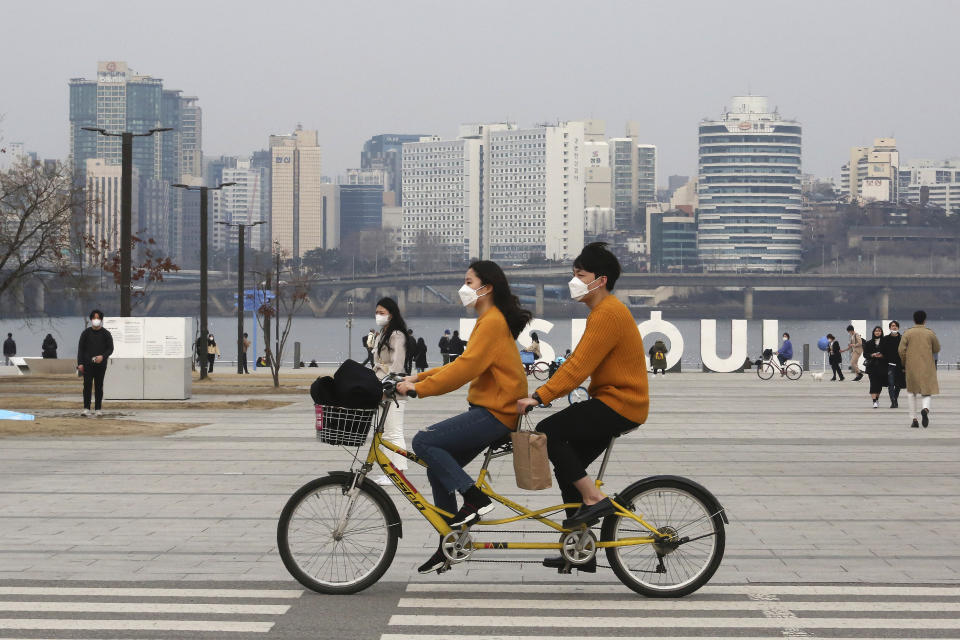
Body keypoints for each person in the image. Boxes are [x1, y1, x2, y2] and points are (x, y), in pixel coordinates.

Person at [516, 242, 649, 573]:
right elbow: (578, 363)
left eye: (580, 275)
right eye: (573, 274)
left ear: (599, 280)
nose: (573, 281)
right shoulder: (604, 312)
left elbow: (578, 368)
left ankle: (594, 500)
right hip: (615, 401)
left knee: (548, 432)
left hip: (620, 402)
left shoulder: (608, 313)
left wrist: (540, 396)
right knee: (568, 467)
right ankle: (581, 547)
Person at [398, 260, 530, 574]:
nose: (464, 288)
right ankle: (450, 542)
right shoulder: (489, 321)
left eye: (469, 282)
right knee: (437, 469)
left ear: (487, 288)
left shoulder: (493, 321)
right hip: (490, 411)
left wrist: (420, 390)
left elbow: (465, 370)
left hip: (498, 413)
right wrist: (418, 378)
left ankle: (475, 499)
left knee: (424, 441)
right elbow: (462, 363)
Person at [370, 297, 410, 486]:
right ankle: (390, 471)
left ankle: (398, 472)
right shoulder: (382, 334)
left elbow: (397, 364)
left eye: (382, 312)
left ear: (391, 314)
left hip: (393, 388)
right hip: (381, 387)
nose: (378, 316)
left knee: (394, 431)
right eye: (377, 312)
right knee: (385, 432)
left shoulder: (396, 334)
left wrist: (389, 382)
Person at [899, 310, 940, 429]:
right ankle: (925, 409)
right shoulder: (930, 333)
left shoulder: (908, 333)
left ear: (914, 320)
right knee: (927, 391)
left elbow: (901, 350)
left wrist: (904, 362)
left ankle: (914, 419)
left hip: (911, 366)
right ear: (925, 320)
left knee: (912, 393)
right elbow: (937, 348)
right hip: (927, 366)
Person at [77, 310, 114, 417]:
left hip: (100, 365)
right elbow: (81, 349)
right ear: (91, 319)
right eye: (94, 318)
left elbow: (110, 348)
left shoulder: (106, 333)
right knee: (87, 386)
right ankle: (86, 408)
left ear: (101, 320)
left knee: (99, 386)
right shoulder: (85, 333)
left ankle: (98, 408)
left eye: (98, 318)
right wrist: (80, 363)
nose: (96, 320)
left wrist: (102, 356)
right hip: (87, 365)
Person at [862, 326, 887, 409]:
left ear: (881, 332)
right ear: (873, 332)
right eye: (876, 331)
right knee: (873, 383)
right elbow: (865, 354)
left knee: (879, 385)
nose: (877, 332)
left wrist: (882, 355)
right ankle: (874, 401)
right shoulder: (868, 343)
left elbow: (888, 353)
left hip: (882, 366)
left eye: (879, 331)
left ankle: (876, 399)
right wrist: (872, 355)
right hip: (871, 366)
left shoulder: (885, 342)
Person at [881, 320, 904, 408]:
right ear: (890, 328)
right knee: (891, 384)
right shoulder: (885, 339)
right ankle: (893, 401)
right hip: (889, 365)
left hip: (899, 365)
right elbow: (882, 351)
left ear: (898, 327)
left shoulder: (902, 338)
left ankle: (895, 399)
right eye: (892, 326)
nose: (894, 327)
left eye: (896, 326)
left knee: (898, 385)